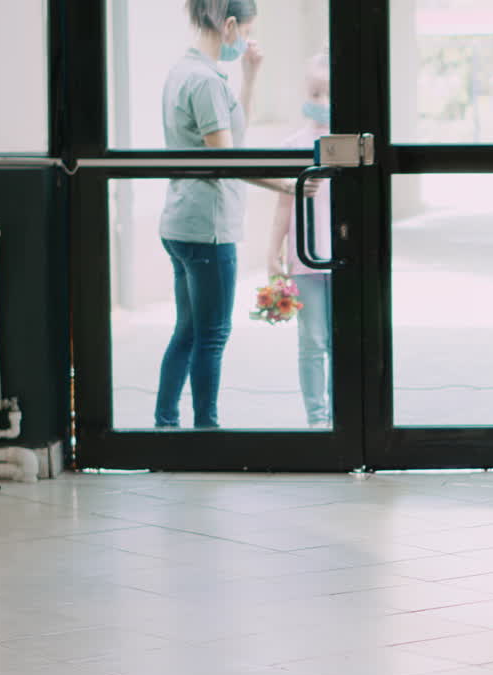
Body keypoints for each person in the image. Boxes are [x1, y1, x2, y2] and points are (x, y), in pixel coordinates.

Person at [155, 0, 315, 428]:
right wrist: (286, 185)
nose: (246, 39)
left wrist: (250, 75)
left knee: (188, 330)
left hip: (180, 221)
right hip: (207, 227)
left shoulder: (184, 72)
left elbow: (232, 134)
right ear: (228, 25)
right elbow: (227, 161)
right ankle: (206, 429)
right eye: (246, 30)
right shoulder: (206, 82)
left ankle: (165, 425)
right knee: (212, 335)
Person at [267, 51, 332, 428]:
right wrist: (272, 252)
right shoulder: (294, 145)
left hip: (343, 257)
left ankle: (341, 416)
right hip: (305, 259)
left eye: (327, 92)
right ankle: (317, 418)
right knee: (312, 341)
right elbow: (283, 204)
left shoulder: (348, 146)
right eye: (314, 92)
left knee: (341, 341)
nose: (320, 101)